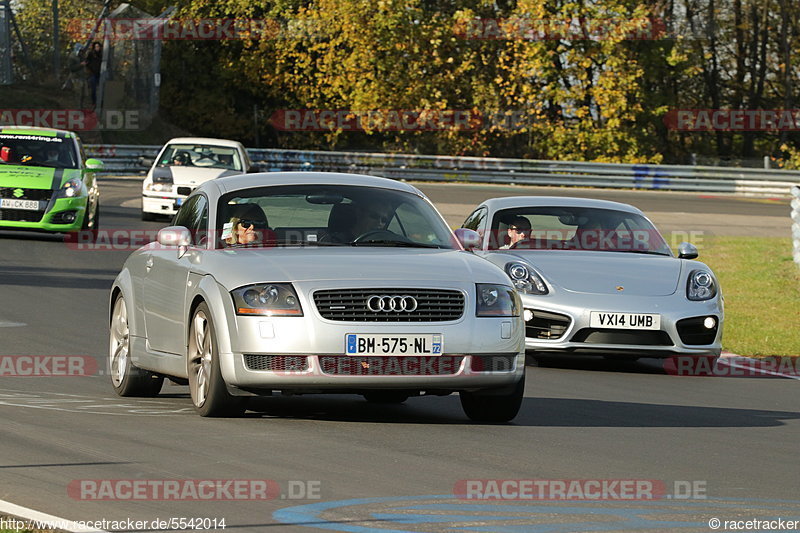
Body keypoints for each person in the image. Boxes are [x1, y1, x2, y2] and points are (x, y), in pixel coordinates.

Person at [82, 42, 103, 107]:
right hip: (92, 73)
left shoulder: (102, 54)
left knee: (100, 89)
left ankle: (100, 102)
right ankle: (94, 102)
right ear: (94, 47)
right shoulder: (91, 53)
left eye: (98, 46)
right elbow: (86, 62)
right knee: (93, 89)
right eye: (96, 46)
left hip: (100, 74)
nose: (97, 48)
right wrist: (89, 69)